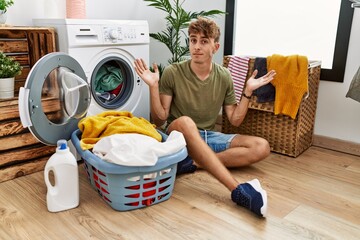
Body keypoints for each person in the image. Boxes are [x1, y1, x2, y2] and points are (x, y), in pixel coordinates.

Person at [134, 17, 276, 217]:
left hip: (209, 136)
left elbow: (234, 120)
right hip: (179, 135)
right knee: (186, 122)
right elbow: (160, 120)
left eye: (203, 41)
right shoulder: (173, 72)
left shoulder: (224, 76)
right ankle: (238, 191)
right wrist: (153, 87)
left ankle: (196, 162)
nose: (196, 46)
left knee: (262, 146)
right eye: (193, 40)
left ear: (215, 47)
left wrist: (248, 92)